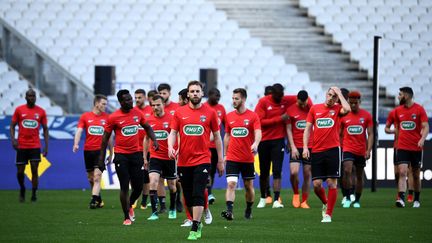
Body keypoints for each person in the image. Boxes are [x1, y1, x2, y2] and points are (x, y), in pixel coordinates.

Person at [168, 81, 224, 240]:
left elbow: (218, 137)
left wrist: (220, 159)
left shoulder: (211, 113)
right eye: (191, 91)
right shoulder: (179, 113)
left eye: (197, 91)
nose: (194, 93)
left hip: (203, 159)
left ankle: (194, 227)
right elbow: (172, 133)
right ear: (188, 94)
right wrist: (170, 147)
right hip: (184, 161)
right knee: (187, 194)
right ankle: (197, 221)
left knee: (199, 191)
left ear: (202, 93)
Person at [98, 89, 158, 226]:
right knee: (124, 186)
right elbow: (105, 139)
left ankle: (129, 204)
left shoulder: (137, 113)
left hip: (136, 155)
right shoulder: (113, 117)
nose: (131, 101)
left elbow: (148, 127)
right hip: (121, 156)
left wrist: (154, 140)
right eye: (127, 100)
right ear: (120, 102)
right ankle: (126, 216)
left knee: (138, 187)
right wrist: (101, 159)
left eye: (131, 99)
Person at [303, 87, 351, 223]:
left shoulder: (337, 110)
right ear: (326, 94)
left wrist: (340, 94)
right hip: (317, 150)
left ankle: (328, 214)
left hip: (333, 150)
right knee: (317, 184)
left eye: (334, 97)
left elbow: (347, 109)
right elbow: (307, 129)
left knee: (331, 182)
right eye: (329, 95)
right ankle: (325, 202)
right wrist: (306, 147)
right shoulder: (315, 109)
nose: (331, 98)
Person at [221, 88, 261, 220]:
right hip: (232, 157)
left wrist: (256, 143)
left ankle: (249, 208)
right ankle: (229, 211)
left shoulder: (253, 116)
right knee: (231, 184)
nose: (234, 101)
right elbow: (227, 136)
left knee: (248, 186)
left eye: (236, 98)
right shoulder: (229, 116)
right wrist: (225, 154)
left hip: (247, 158)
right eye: (232, 98)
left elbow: (258, 132)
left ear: (243, 99)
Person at [73, 94, 112, 209]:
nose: (105, 106)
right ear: (96, 104)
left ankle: (93, 200)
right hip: (88, 151)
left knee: (97, 177)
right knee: (90, 178)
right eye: (103, 104)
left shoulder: (107, 118)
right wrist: (76, 144)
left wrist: (111, 152)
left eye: (106, 104)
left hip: (100, 151)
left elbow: (109, 137)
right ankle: (98, 198)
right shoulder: (85, 116)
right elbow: (79, 131)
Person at [10, 89, 49, 202]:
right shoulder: (19, 110)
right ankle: (22, 188)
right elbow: (12, 126)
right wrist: (13, 140)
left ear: (36, 98)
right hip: (21, 146)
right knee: (20, 172)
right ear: (26, 97)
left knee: (34, 170)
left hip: (35, 145)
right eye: (30, 96)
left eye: (33, 96)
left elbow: (46, 129)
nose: (32, 98)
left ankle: (34, 193)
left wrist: (46, 146)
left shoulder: (41, 112)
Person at [254, 83, 288, 208]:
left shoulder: (284, 101)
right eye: (278, 96)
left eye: (282, 95)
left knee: (277, 170)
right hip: (264, 140)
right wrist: (280, 118)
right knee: (264, 171)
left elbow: (300, 97)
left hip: (278, 140)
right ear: (273, 94)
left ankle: (276, 199)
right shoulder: (263, 102)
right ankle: (263, 198)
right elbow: (260, 121)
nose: (280, 98)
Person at [394, 87, 429, 208]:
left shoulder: (419, 109)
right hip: (402, 146)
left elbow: (426, 126)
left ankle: (417, 199)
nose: (398, 96)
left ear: (407, 96)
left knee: (416, 174)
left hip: (416, 147)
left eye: (400, 94)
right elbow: (398, 128)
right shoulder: (398, 111)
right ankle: (401, 198)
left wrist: (422, 139)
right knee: (402, 172)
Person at [144, 95, 178, 220]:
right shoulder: (148, 120)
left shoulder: (172, 118)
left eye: (158, 105)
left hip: (169, 157)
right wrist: (144, 157)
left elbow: (176, 135)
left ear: (163, 104)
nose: (155, 107)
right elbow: (146, 138)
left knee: (172, 185)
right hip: (155, 156)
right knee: (153, 181)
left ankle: (173, 208)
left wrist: (176, 151)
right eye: (153, 105)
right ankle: (154, 212)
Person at [340, 91, 373, 208]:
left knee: (359, 175)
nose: (353, 105)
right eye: (351, 103)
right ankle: (348, 197)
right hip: (348, 148)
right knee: (347, 170)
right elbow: (339, 133)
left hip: (361, 150)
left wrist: (368, 150)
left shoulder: (366, 115)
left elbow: (370, 133)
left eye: (355, 103)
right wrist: (341, 147)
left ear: (360, 102)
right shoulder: (344, 115)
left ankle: (357, 200)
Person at [286, 90, 313, 209]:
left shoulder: (311, 109)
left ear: (307, 99)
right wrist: (292, 146)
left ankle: (304, 200)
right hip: (296, 146)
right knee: (294, 173)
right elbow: (288, 129)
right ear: (297, 99)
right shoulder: (290, 110)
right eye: (300, 103)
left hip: (310, 146)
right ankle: (296, 194)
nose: (303, 105)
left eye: (304, 103)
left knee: (307, 174)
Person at [157, 83, 180, 213]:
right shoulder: (155, 109)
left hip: (173, 151)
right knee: (158, 178)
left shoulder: (176, 108)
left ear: (169, 93)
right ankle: (163, 206)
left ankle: (177, 200)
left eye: (164, 93)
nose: (162, 95)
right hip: (158, 151)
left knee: (174, 181)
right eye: (160, 93)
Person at [385, 107, 415, 202]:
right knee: (398, 172)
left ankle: (410, 194)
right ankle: (400, 192)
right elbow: (386, 128)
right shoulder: (394, 112)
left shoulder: (415, 111)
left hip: (411, 145)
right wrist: (394, 131)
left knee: (410, 171)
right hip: (398, 146)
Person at [205, 88, 226, 204]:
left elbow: (226, 125)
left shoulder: (221, 108)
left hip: (215, 146)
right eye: (215, 96)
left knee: (212, 171)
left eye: (219, 96)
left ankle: (209, 191)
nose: (217, 98)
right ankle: (207, 192)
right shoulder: (203, 107)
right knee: (206, 170)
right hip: (205, 145)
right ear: (209, 95)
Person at [132, 89, 151, 210]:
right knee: (134, 176)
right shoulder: (132, 111)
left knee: (146, 176)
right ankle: (134, 198)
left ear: (145, 97)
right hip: (134, 149)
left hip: (147, 149)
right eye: (136, 97)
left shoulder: (150, 110)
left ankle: (144, 199)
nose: (137, 100)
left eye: (139, 97)